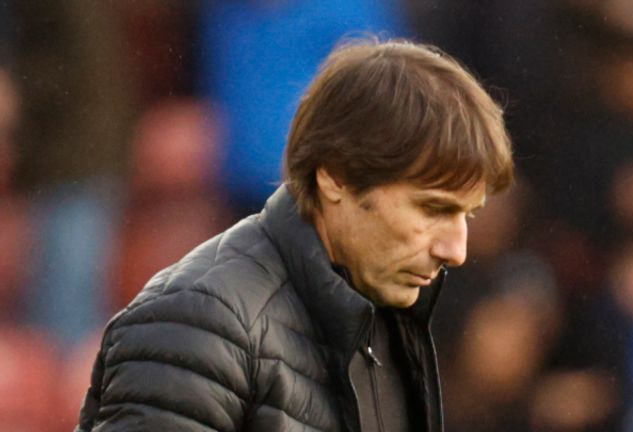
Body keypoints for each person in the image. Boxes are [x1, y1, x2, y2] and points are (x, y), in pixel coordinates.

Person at [75, 38, 513, 432]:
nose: (456, 251)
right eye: (433, 208)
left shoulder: (387, 318)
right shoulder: (195, 323)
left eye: (467, 216)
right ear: (336, 176)